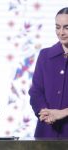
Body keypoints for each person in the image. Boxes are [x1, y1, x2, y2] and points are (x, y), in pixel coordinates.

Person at [29, 7, 68, 138]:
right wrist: (43, 112)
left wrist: (63, 113)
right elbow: (35, 92)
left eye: (66, 27)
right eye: (58, 27)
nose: (61, 32)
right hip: (46, 132)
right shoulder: (45, 55)